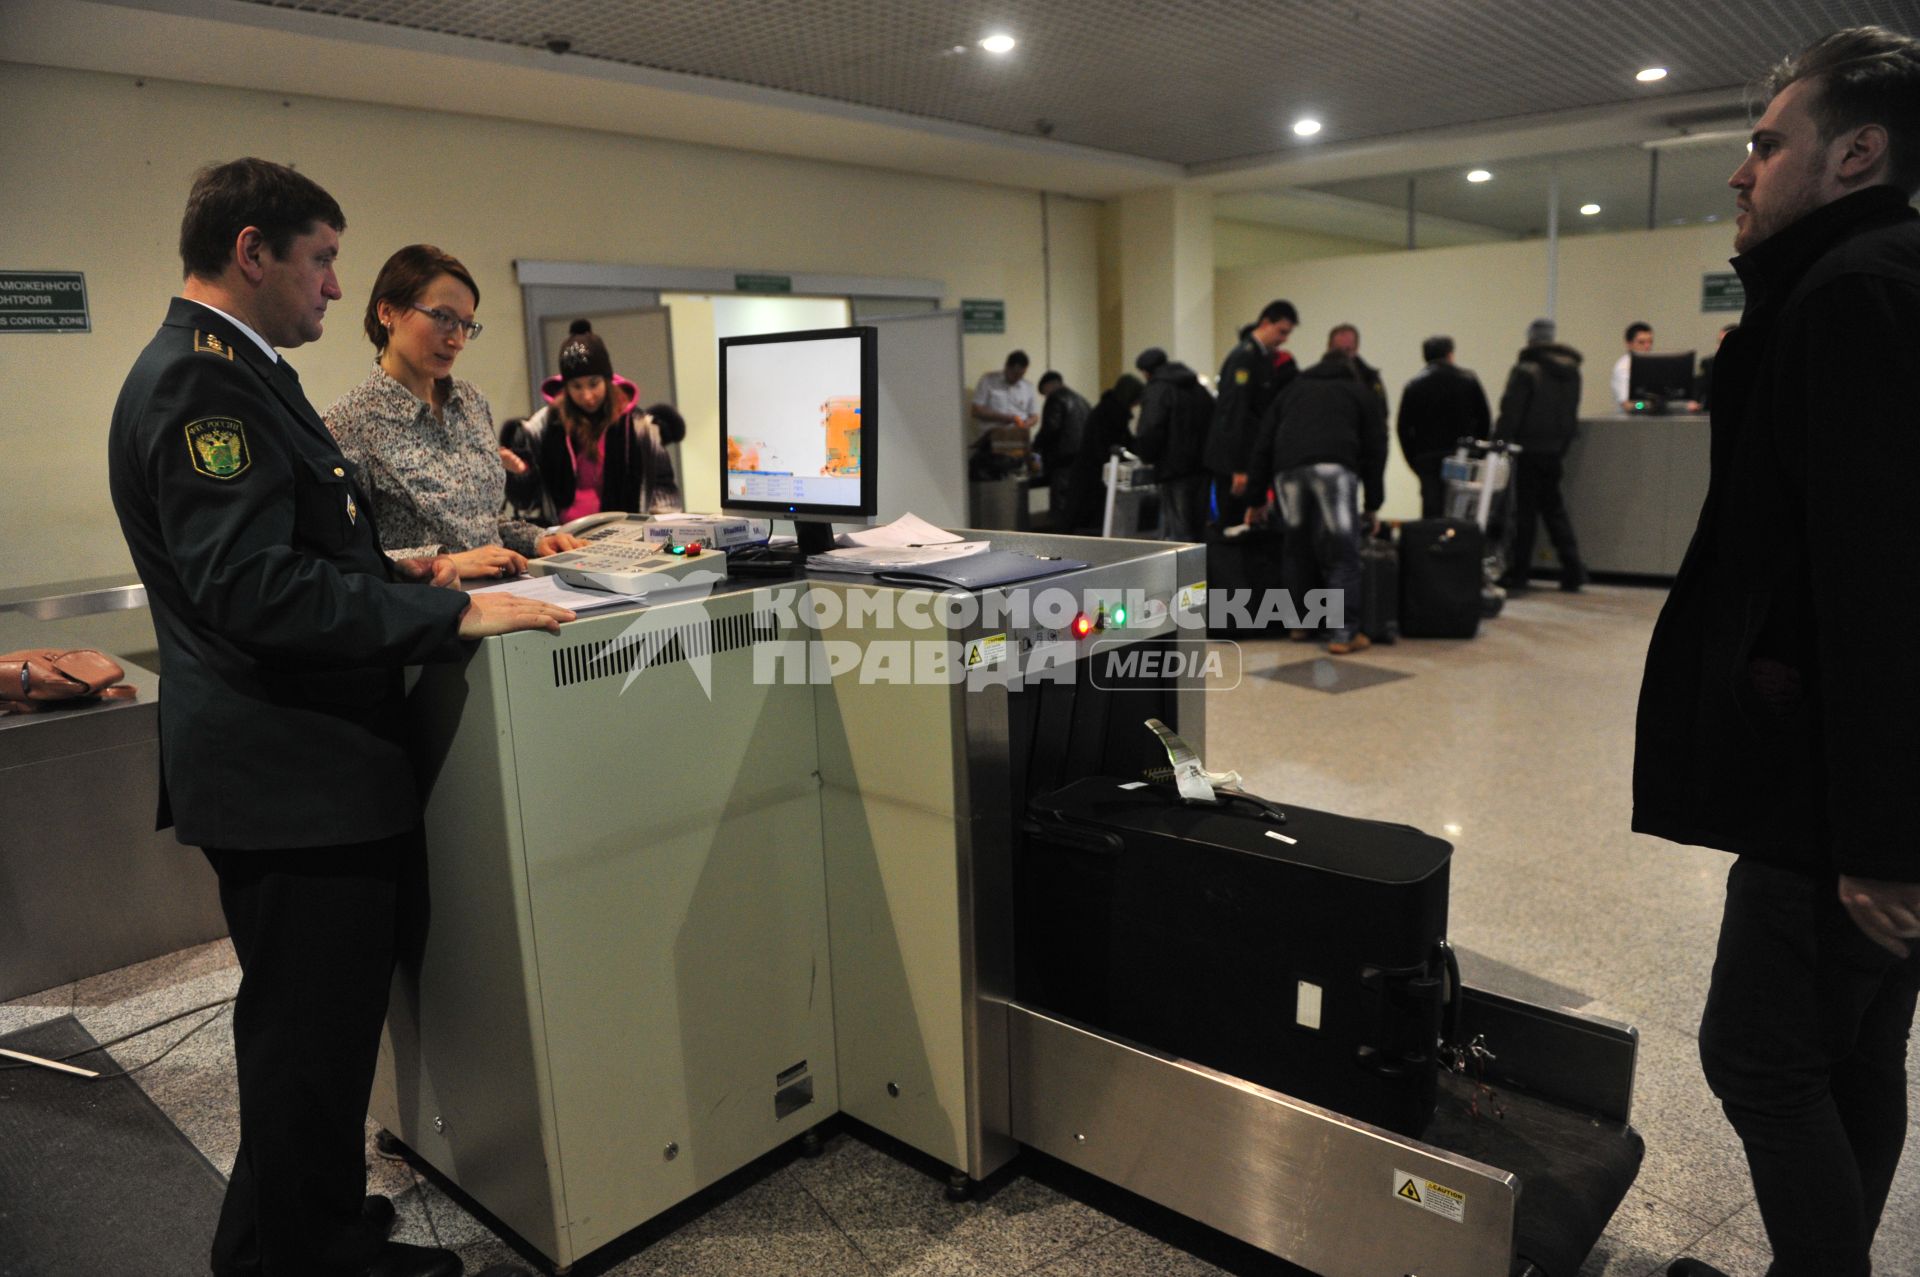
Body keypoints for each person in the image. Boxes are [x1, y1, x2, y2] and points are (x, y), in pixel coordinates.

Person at [106, 158, 569, 1277]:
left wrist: (429, 588)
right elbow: (256, 588)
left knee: (311, 1029)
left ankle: (286, 1230)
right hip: (290, 773)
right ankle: (304, 1255)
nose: (330, 287)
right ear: (253, 250)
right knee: (306, 1035)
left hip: (307, 765)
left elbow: (314, 555)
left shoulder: (241, 376)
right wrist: (445, 614)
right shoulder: (203, 384)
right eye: (319, 260)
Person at [1634, 28, 1920, 1277]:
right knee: (1851, 1050)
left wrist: (1879, 835)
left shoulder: (1856, 291)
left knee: (1757, 1051)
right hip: (1860, 777)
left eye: (1766, 143)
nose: (1743, 173)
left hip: (1835, 788)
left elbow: (1880, 579)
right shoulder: (1872, 276)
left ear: (1855, 152)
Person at [324, 245, 581, 579]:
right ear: (387, 312)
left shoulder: (471, 402)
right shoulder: (349, 421)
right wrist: (441, 561)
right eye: (443, 318)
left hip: (508, 597)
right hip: (431, 614)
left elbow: (478, 523)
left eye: (467, 325)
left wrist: (536, 539)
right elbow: (342, 555)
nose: (457, 339)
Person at [1245, 348, 1387, 656]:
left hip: (1287, 472)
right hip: (1334, 470)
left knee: (1296, 546)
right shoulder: (1358, 392)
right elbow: (1377, 447)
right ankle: (1343, 632)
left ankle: (1300, 622)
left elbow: (1263, 442)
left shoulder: (1291, 391)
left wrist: (1255, 498)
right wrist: (1373, 503)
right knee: (1343, 550)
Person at [500, 320, 683, 525]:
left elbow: (664, 495)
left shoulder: (639, 428)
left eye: (594, 384)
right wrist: (521, 474)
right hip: (563, 539)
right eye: (576, 386)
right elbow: (527, 503)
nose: (587, 396)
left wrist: (661, 536)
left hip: (626, 540)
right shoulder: (542, 427)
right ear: (565, 387)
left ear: (607, 380)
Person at [1493, 318, 1587, 592]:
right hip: (1555, 449)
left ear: (1531, 339)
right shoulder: (1572, 371)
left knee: (1524, 513)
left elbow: (1511, 409)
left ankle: (1519, 573)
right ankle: (1573, 569)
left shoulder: (1526, 369)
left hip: (1527, 449)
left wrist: (1500, 441)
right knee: (1554, 509)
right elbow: (1571, 412)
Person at [1206, 300, 1298, 530]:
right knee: (1235, 527)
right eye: (1282, 332)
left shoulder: (1262, 357)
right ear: (1266, 323)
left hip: (1248, 458)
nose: (1284, 339)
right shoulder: (1245, 358)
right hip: (1236, 462)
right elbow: (1235, 413)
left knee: (1251, 527)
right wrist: (1239, 467)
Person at [1396, 335, 1491, 519]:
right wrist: (1479, 453)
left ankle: (1432, 545)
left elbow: (1403, 428)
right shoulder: (1468, 380)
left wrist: (1415, 460)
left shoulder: (1414, 386)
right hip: (1461, 456)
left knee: (1432, 509)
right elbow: (1484, 419)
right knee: (1460, 506)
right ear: (1450, 354)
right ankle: (1458, 545)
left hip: (1427, 458)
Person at [1130, 346, 1214, 542]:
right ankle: (1203, 571)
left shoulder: (1158, 389)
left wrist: (1147, 455)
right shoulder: (1197, 387)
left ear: (1146, 372)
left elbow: (1150, 428)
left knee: (1180, 531)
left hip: (1173, 469)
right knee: (1199, 527)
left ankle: (1186, 573)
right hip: (1202, 467)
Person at [1063, 373, 1144, 534]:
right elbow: (1111, 447)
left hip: (1088, 475)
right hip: (1094, 478)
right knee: (1089, 524)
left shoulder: (1107, 409)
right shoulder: (1113, 414)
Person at [1030, 370, 1090, 528]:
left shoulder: (1056, 398)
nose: (1045, 397)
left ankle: (1060, 541)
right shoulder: (1081, 400)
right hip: (1082, 460)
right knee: (1076, 504)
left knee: (1061, 508)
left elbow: (1051, 428)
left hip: (1062, 461)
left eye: (1044, 393)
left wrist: (1035, 447)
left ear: (1049, 385)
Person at [969, 348, 1038, 456]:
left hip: (1018, 440)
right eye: (1015, 374)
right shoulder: (988, 380)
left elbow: (1034, 416)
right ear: (1006, 366)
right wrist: (1006, 418)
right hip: (991, 441)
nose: (1017, 378)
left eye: (1021, 375)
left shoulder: (1027, 387)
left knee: (1020, 470)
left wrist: (1028, 423)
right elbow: (976, 411)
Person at [1694, 323, 1738, 412]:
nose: (1720, 347)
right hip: (1712, 413)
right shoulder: (1709, 364)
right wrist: (1695, 401)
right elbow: (1699, 386)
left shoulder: (1752, 365)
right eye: (1719, 342)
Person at [1611, 321, 1654, 409]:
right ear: (1629, 344)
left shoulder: (1652, 364)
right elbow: (1628, 405)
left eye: (1650, 342)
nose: (1647, 346)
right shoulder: (1624, 368)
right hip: (1632, 421)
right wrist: (1644, 406)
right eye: (1641, 342)